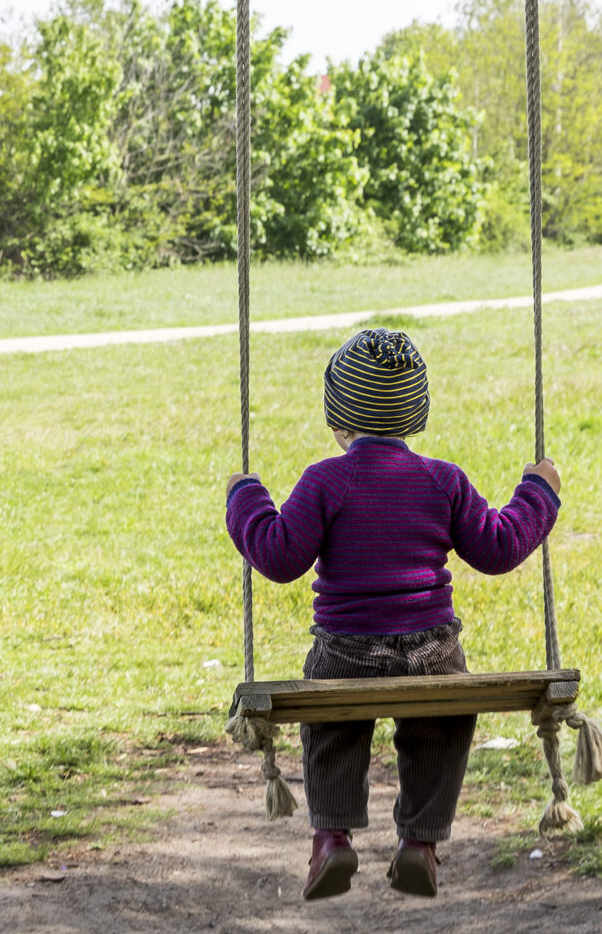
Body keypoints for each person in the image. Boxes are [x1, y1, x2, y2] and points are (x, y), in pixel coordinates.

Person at [223, 328, 562, 902]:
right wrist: (539, 492)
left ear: (337, 419)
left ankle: (331, 838)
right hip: (432, 647)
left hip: (346, 648)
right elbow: (499, 548)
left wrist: (244, 497)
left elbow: (280, 558)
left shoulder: (326, 480)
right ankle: (420, 843)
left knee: (331, 726)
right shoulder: (443, 479)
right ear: (416, 415)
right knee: (443, 723)